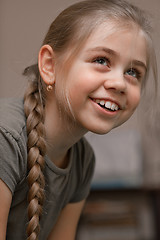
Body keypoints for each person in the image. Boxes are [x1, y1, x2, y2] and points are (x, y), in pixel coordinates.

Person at [0, 0, 157, 239]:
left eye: (133, 72)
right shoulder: (6, 139)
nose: (119, 83)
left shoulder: (82, 160)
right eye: (101, 60)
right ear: (50, 65)